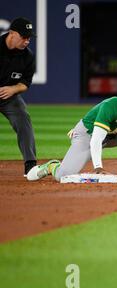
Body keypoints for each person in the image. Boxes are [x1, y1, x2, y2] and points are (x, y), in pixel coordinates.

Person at [0, 17, 37, 176]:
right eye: (24, 37)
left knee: (23, 117)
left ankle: (30, 164)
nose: (27, 41)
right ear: (12, 33)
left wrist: (14, 89)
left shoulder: (28, 56)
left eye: (29, 37)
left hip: (8, 97)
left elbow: (25, 83)